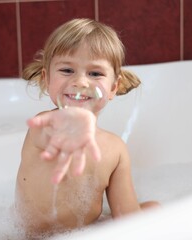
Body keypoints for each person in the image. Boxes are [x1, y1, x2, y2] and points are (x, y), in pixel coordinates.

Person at [14, 18, 158, 239]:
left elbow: (127, 218)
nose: (81, 81)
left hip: (85, 234)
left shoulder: (116, 149)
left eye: (95, 73)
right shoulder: (45, 125)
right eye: (67, 70)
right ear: (47, 78)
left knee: (153, 208)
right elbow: (50, 133)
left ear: (113, 87)